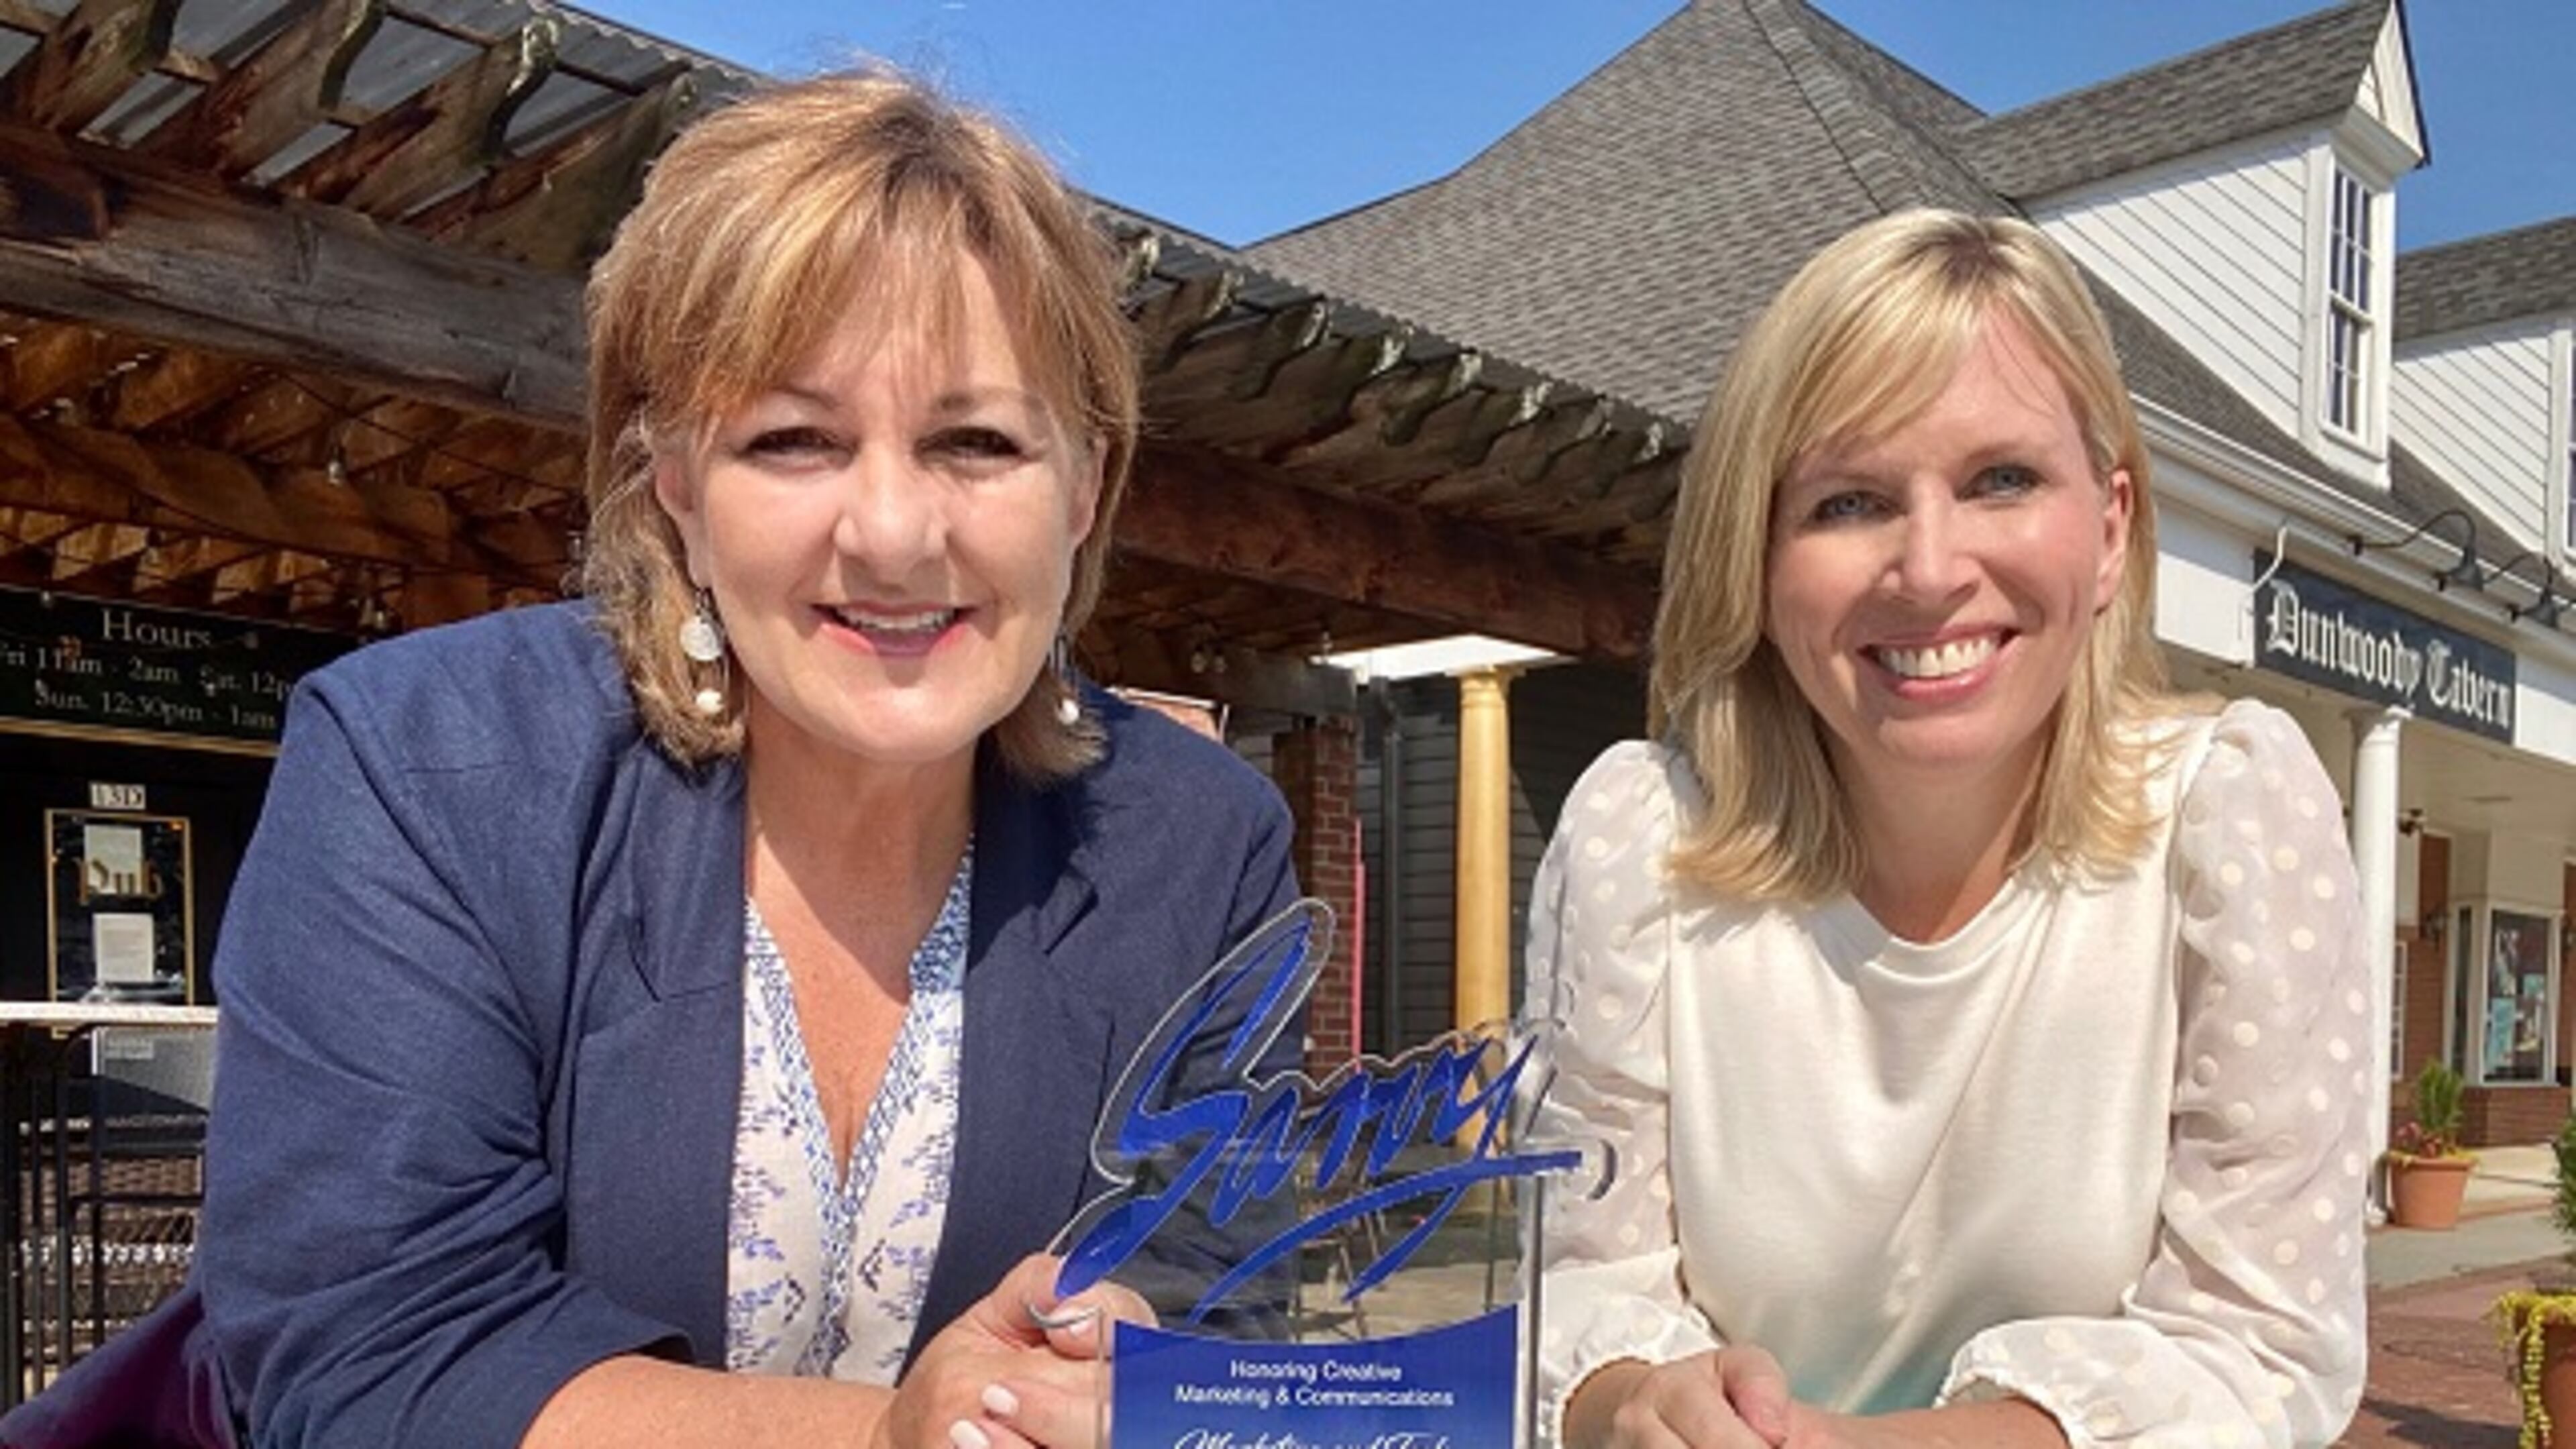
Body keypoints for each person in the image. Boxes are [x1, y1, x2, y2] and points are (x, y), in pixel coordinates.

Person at [5, 71, 1302, 1449]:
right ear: (676, 484)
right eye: (793, 439)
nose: (893, 533)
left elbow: (1229, 1293)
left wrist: (1136, 1372)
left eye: (976, 441)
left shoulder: (1205, 849)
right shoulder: (423, 770)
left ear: (1085, 485)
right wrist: (883, 1439)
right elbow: (373, 1356)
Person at [1527, 209, 2368, 1448]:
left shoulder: (2230, 817)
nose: (1928, 570)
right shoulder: (1639, 840)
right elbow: (1578, 1291)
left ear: (2112, 530)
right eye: (1848, 501)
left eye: (2001, 480)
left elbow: (2259, 1354)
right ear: (1757, 557)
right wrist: (1636, 1406)